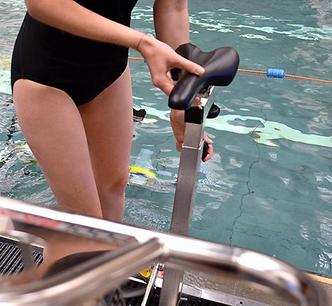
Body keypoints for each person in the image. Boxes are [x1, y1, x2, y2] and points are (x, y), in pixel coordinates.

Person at [11, 0, 214, 223]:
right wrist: (141, 42)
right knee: (81, 221)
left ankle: (107, 256)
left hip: (109, 71)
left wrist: (180, 96)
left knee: (113, 189)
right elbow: (43, 4)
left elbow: (172, 6)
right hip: (46, 73)